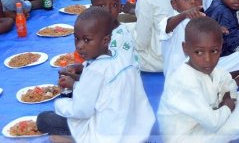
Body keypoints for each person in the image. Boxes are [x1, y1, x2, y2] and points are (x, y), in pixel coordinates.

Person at [35, 8, 155, 142]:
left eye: (87, 40)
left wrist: (60, 104)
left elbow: (81, 110)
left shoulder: (95, 71)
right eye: (77, 38)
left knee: (45, 120)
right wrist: (79, 75)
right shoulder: (120, 55)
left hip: (108, 134)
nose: (79, 46)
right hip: (137, 128)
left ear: (105, 40)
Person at [157, 16, 239, 143]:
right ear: (185, 49)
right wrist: (228, 105)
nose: (208, 59)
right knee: (234, 124)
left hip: (206, 120)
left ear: (221, 48)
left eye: (214, 51)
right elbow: (213, 123)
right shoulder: (184, 81)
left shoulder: (213, 69)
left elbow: (229, 86)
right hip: (184, 136)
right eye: (199, 52)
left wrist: (229, 98)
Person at [90, 0, 137, 66]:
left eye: (114, 5)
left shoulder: (120, 36)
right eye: (101, 6)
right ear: (92, 9)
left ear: (120, 7)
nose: (108, 10)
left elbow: (113, 68)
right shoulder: (95, 31)